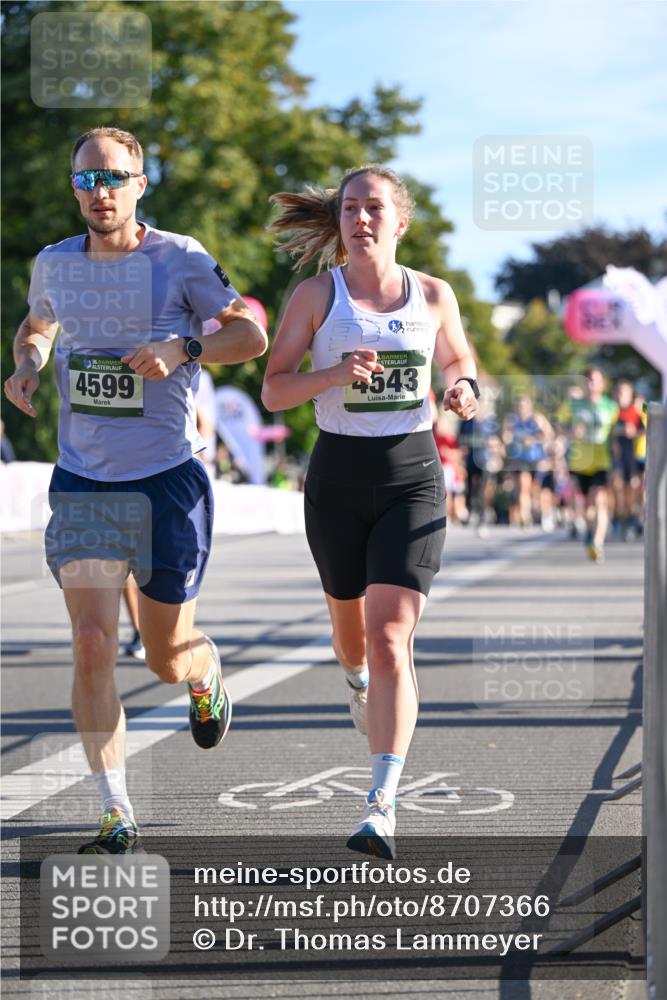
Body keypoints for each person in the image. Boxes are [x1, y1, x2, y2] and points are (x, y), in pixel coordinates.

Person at [3, 127, 267, 854]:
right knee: (90, 644)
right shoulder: (54, 263)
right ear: (73, 187)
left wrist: (182, 347)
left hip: (167, 484)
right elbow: (36, 327)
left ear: (140, 184)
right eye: (87, 180)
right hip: (85, 483)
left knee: (163, 655)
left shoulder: (179, 258)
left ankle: (204, 668)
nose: (100, 192)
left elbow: (248, 336)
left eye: (114, 178)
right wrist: (28, 364)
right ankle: (116, 808)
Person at [262, 164, 478, 858]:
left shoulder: (434, 294)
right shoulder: (316, 296)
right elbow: (273, 391)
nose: (360, 219)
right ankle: (353, 681)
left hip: (412, 475)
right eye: (349, 207)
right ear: (339, 221)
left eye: (373, 208)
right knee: (353, 640)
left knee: (391, 637)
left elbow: (457, 358)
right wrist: (330, 374)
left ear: (399, 221)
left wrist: (464, 387)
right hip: (337, 478)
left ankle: (380, 803)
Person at [560, 368, 618, 562]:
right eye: (587, 381)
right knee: (586, 505)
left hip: (602, 461)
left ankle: (597, 543)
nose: (591, 384)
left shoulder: (610, 406)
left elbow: (615, 434)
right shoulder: (573, 405)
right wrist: (570, 432)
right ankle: (589, 532)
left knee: (599, 500)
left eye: (595, 380)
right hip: (580, 461)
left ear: (602, 384)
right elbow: (559, 426)